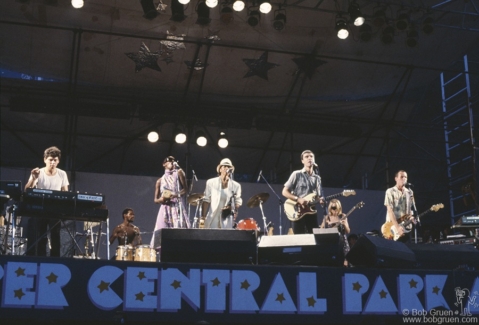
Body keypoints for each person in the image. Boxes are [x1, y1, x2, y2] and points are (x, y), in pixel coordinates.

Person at [24, 146, 70, 257]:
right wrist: (34, 178)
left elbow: (66, 193)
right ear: (45, 160)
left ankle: (55, 259)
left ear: (58, 161)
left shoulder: (62, 174)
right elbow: (26, 190)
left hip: (55, 208)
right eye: (50, 160)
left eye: (55, 160)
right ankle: (41, 257)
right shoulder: (38, 172)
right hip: (40, 207)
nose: (52, 162)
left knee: (55, 235)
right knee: (40, 235)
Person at [150, 156, 190, 249]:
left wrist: (175, 195)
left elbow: (185, 189)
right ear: (164, 164)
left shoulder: (179, 173)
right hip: (165, 207)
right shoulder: (159, 181)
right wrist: (161, 199)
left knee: (177, 230)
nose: (172, 162)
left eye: (173, 161)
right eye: (169, 161)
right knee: (161, 229)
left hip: (176, 205)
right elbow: (155, 200)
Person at [282, 150, 324, 234]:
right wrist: (298, 199)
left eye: (311, 156)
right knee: (299, 237)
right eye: (306, 157)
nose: (309, 158)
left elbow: (318, 196)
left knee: (314, 237)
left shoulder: (317, 178)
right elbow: (284, 192)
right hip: (298, 210)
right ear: (302, 161)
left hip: (311, 210)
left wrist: (321, 200)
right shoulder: (296, 174)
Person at [200, 158, 242, 229]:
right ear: (220, 169)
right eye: (224, 166)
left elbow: (238, 202)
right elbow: (206, 200)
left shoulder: (236, 186)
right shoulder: (211, 182)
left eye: (229, 167)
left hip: (226, 219)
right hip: (213, 218)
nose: (227, 168)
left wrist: (231, 207)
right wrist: (203, 217)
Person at [384, 170, 416, 242]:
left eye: (405, 177)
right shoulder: (390, 191)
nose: (404, 178)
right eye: (401, 177)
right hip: (392, 228)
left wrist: (411, 217)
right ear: (396, 179)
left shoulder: (409, 192)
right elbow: (390, 210)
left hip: (405, 227)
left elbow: (410, 209)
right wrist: (397, 227)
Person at [320, 199, 351, 267]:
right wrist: (327, 224)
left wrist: (344, 224)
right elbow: (321, 230)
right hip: (331, 243)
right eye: (333, 208)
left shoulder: (343, 216)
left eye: (336, 208)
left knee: (344, 265)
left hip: (343, 243)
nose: (335, 210)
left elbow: (348, 231)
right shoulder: (327, 217)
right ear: (330, 208)